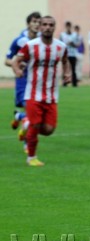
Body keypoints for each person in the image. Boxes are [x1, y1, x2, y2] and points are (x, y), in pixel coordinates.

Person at [12, 15, 71, 167]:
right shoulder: (31, 45)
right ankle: (31, 157)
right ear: (40, 27)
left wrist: (67, 73)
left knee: (48, 130)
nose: (47, 27)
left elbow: (66, 61)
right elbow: (15, 61)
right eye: (44, 24)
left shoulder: (60, 47)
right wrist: (17, 70)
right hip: (32, 94)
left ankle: (24, 122)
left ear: (54, 27)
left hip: (52, 96)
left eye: (50, 25)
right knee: (36, 126)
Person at [5, 11, 41, 152]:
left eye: (39, 22)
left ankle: (18, 116)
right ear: (28, 24)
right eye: (34, 22)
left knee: (37, 116)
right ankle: (26, 143)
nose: (37, 25)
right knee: (32, 116)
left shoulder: (42, 42)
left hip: (37, 83)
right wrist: (17, 64)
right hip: (23, 82)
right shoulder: (19, 40)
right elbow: (7, 60)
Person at [59, 21, 80, 87]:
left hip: (73, 54)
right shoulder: (62, 35)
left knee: (73, 70)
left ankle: (74, 83)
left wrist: (72, 43)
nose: (68, 27)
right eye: (67, 26)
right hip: (65, 55)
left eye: (69, 26)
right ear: (66, 27)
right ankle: (65, 83)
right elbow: (59, 44)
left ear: (71, 27)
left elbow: (77, 45)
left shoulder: (75, 35)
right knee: (65, 69)